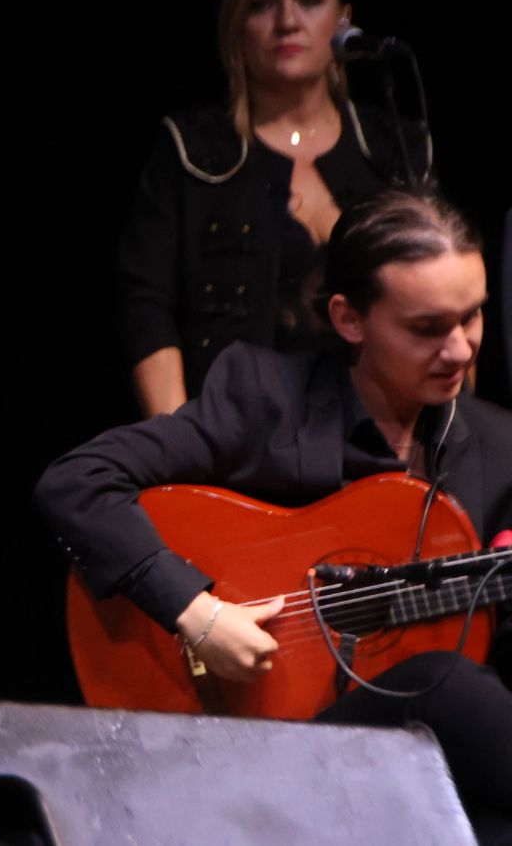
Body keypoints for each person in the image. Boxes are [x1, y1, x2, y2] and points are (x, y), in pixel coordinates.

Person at [39, 189, 510, 839]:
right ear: (349, 318)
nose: (461, 349)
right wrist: (197, 614)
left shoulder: (496, 445)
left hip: (417, 768)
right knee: (443, 684)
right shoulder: (264, 398)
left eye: (473, 317)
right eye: (428, 327)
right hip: (251, 737)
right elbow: (75, 482)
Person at [119, 0, 433, 418]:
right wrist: (180, 447)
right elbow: (146, 307)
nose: (287, 20)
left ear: (343, 18)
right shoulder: (192, 149)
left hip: (378, 445)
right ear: (236, 23)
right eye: (263, 4)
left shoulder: (393, 145)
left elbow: (445, 299)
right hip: (232, 446)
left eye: (309, 1)